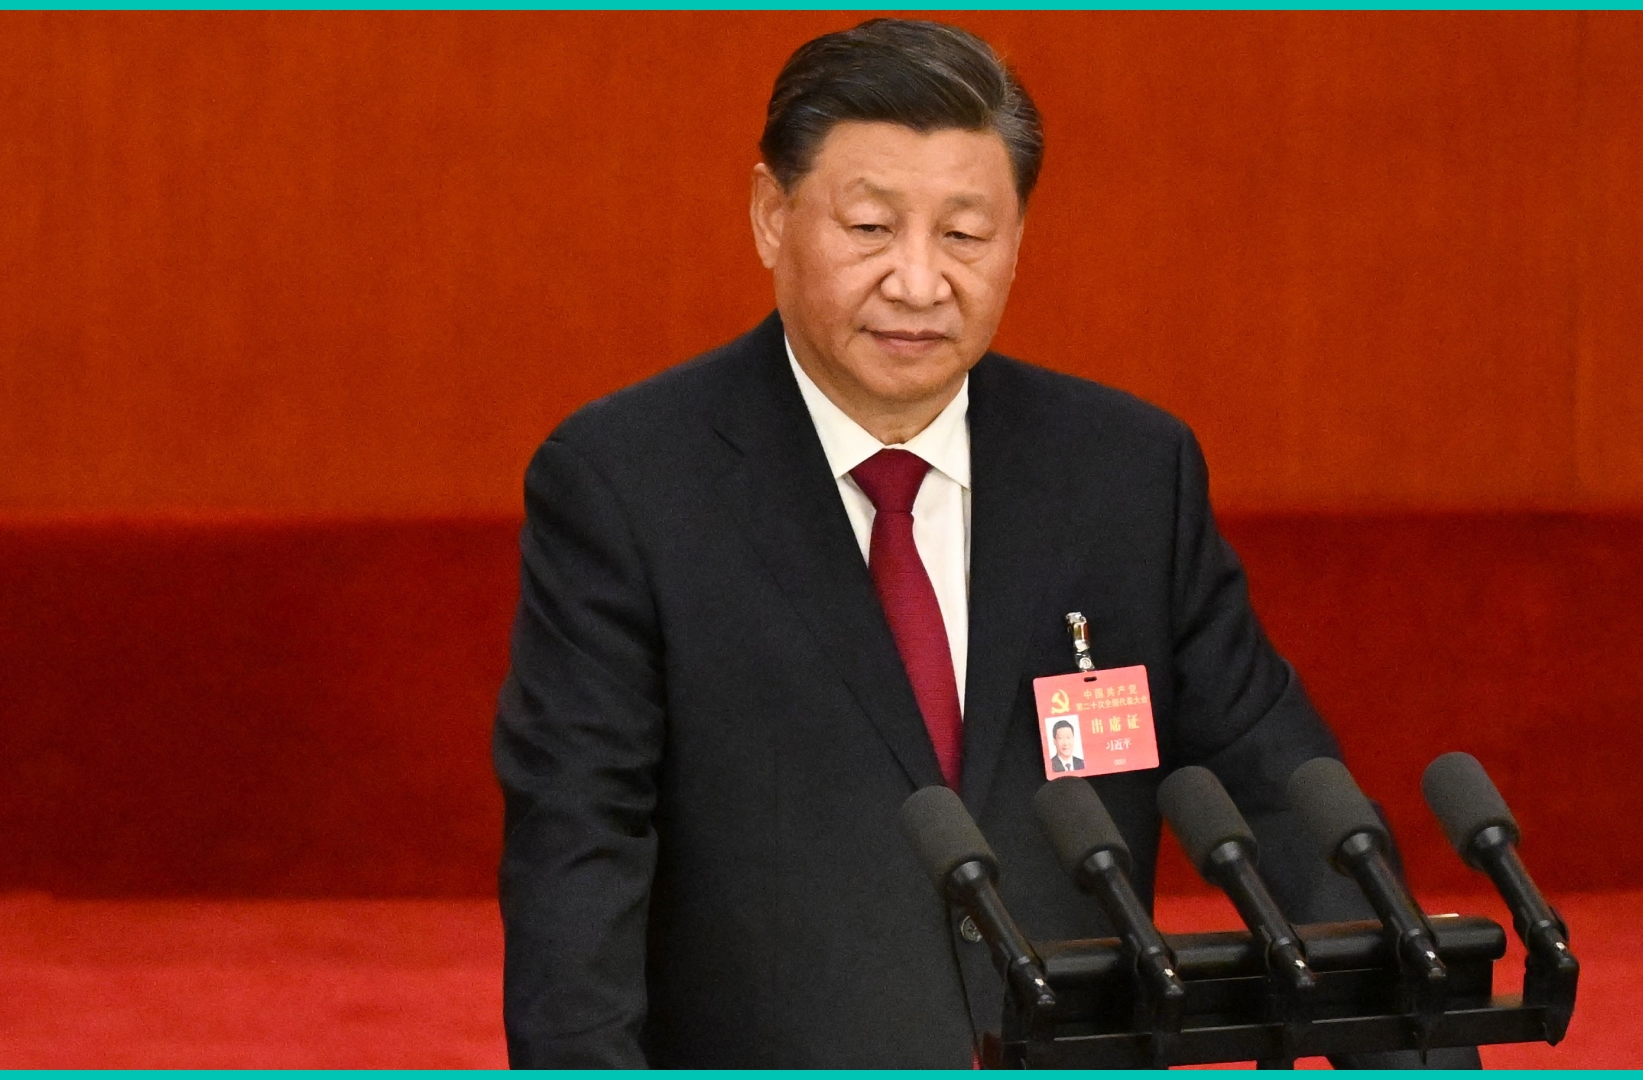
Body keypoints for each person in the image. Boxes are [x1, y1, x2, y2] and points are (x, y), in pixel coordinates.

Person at [493, 17, 1476, 1069]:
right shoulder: (630, 484)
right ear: (772, 214)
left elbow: (1290, 804)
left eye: (964, 235)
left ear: (1019, 241)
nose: (919, 283)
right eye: (870, 227)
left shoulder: (1125, 475)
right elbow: (578, 862)